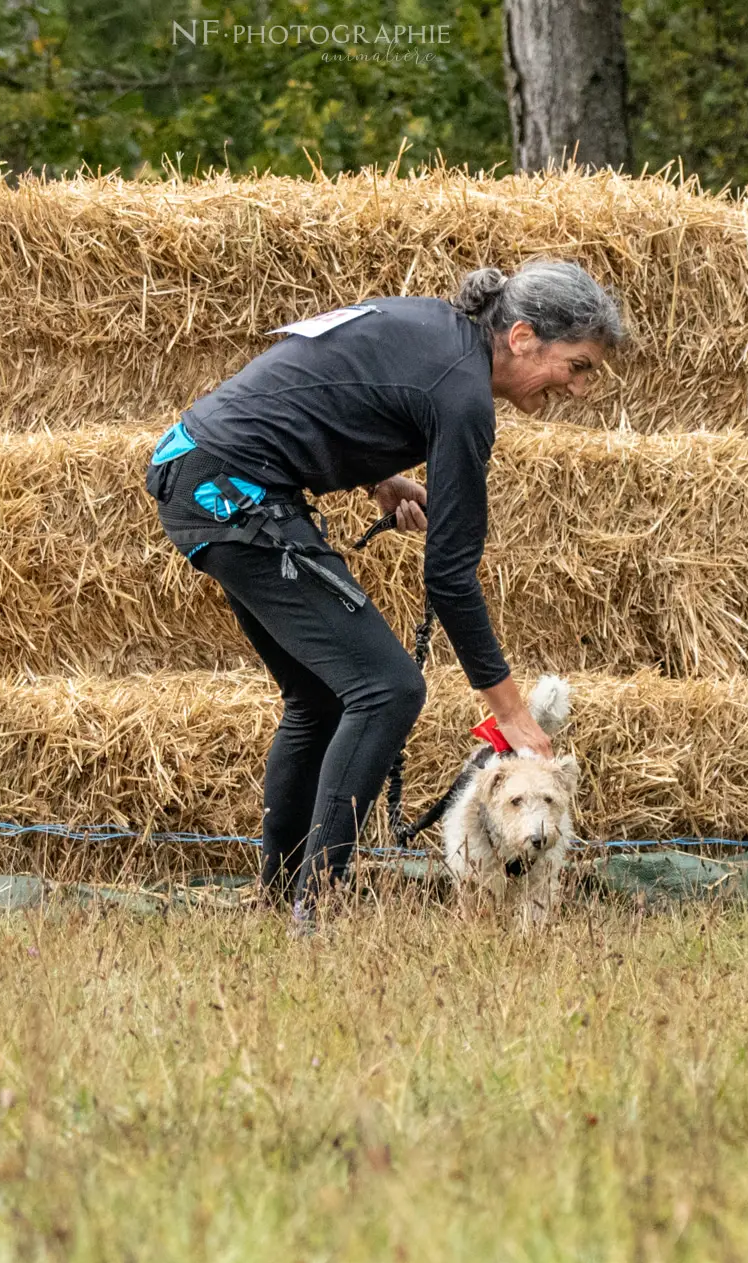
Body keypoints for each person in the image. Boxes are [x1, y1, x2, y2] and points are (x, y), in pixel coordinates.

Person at [147, 260, 626, 926]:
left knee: (318, 695)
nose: (575, 388)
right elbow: (449, 576)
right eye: (575, 365)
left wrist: (379, 476)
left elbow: (331, 385)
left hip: (200, 465)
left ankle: (282, 896)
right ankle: (315, 909)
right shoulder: (464, 398)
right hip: (231, 489)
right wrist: (511, 711)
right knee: (389, 687)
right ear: (521, 338)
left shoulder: (437, 330)